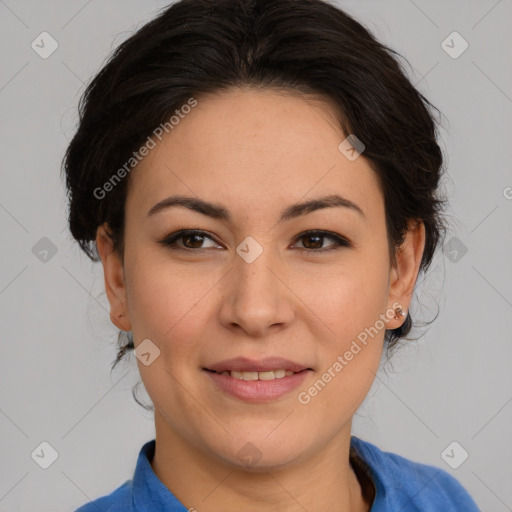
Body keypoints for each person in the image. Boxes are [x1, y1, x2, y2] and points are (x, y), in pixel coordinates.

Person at [63, 0, 481, 510]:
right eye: (194, 239)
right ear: (117, 275)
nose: (255, 311)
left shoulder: (445, 501)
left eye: (316, 239)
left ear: (401, 270)